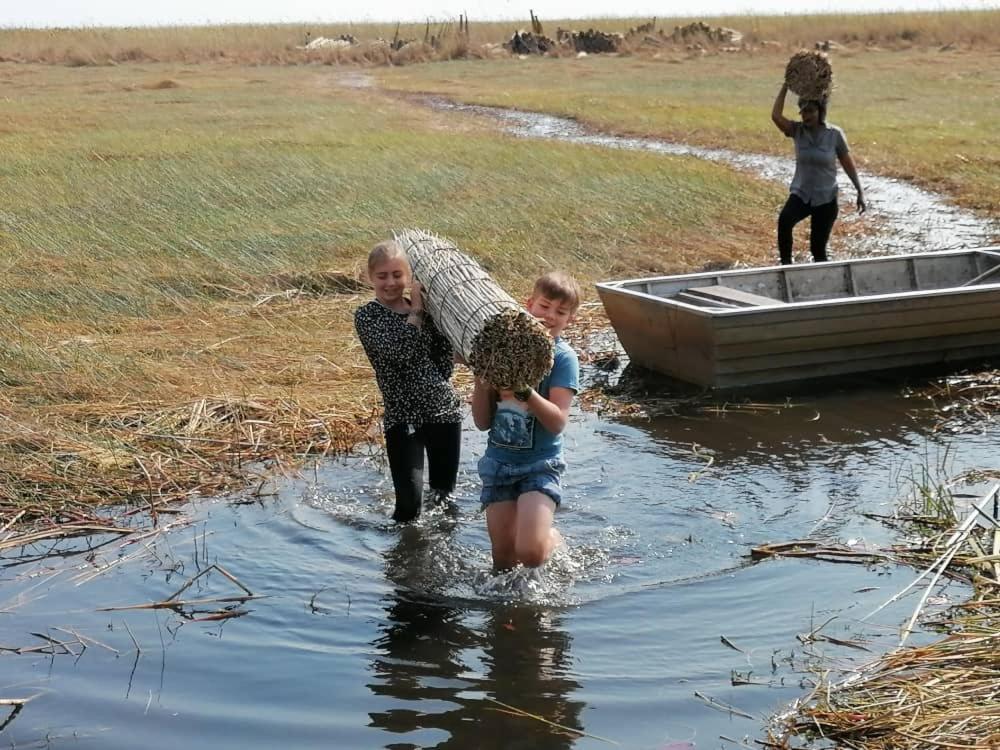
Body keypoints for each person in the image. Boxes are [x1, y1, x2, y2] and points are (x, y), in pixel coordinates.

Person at [471, 271, 581, 570]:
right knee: (503, 558)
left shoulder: (563, 359)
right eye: (544, 306)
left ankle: (552, 538)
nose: (550, 316)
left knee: (530, 553)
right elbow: (482, 422)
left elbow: (557, 422)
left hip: (540, 466)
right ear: (528, 304)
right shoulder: (502, 352)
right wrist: (482, 380)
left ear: (570, 320)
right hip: (499, 464)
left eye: (560, 312)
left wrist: (526, 392)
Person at [354, 240, 463, 522]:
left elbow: (442, 363)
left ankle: (439, 558)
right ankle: (403, 559)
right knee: (408, 506)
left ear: (408, 276)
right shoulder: (367, 316)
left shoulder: (428, 313)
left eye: (397, 275)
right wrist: (416, 311)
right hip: (403, 419)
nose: (390, 283)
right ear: (370, 277)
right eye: (382, 276)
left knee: (443, 498)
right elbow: (400, 352)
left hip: (443, 412)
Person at [771, 82, 867, 265]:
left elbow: (848, 164)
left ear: (820, 112)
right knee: (784, 222)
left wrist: (860, 191)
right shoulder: (797, 131)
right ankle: (786, 266)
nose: (806, 116)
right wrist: (785, 86)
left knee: (818, 249)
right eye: (803, 111)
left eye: (810, 111)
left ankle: (823, 279)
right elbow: (776, 116)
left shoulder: (834, 135)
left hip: (826, 198)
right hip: (801, 194)